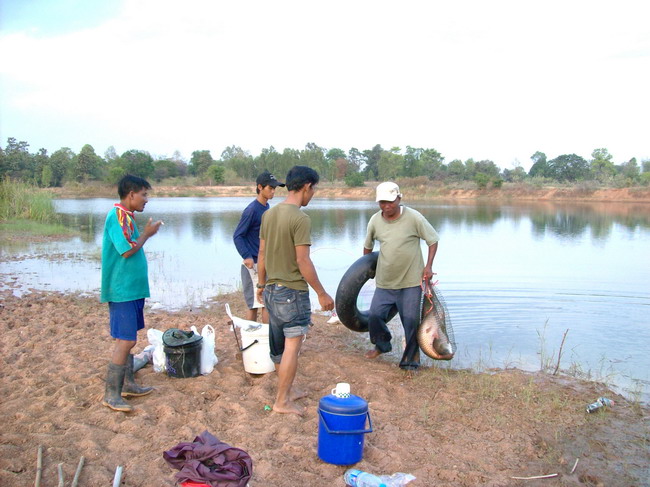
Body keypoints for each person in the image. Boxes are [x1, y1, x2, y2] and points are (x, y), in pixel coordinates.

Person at [256, 165, 334, 415]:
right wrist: (322, 293)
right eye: (314, 190)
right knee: (292, 347)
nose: (313, 195)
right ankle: (281, 402)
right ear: (307, 187)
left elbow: (261, 253)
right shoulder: (300, 218)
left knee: (278, 348)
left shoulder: (269, 214)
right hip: (291, 293)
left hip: (271, 290)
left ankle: (288, 391)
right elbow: (303, 261)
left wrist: (260, 283)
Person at [100, 174, 163, 412]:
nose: (146, 200)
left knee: (128, 339)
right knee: (126, 340)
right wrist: (147, 234)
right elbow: (126, 251)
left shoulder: (127, 217)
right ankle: (111, 394)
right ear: (131, 194)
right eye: (144, 195)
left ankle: (127, 384)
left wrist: (145, 233)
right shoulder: (116, 216)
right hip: (121, 289)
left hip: (132, 289)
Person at [363, 181, 439, 371]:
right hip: (385, 281)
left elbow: (433, 240)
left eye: (390, 202)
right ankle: (382, 345)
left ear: (399, 198)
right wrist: (365, 268)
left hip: (411, 282)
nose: (387, 206)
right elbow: (368, 246)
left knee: (411, 322)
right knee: (374, 316)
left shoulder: (414, 218)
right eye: (382, 202)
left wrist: (428, 266)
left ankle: (410, 362)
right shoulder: (375, 220)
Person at [233, 171, 285, 323]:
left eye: (275, 188)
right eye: (270, 188)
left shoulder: (266, 207)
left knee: (266, 302)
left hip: (265, 262)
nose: (273, 191)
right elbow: (238, 235)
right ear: (260, 187)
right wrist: (246, 256)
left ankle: (266, 337)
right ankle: (251, 338)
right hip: (253, 264)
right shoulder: (252, 210)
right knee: (253, 305)